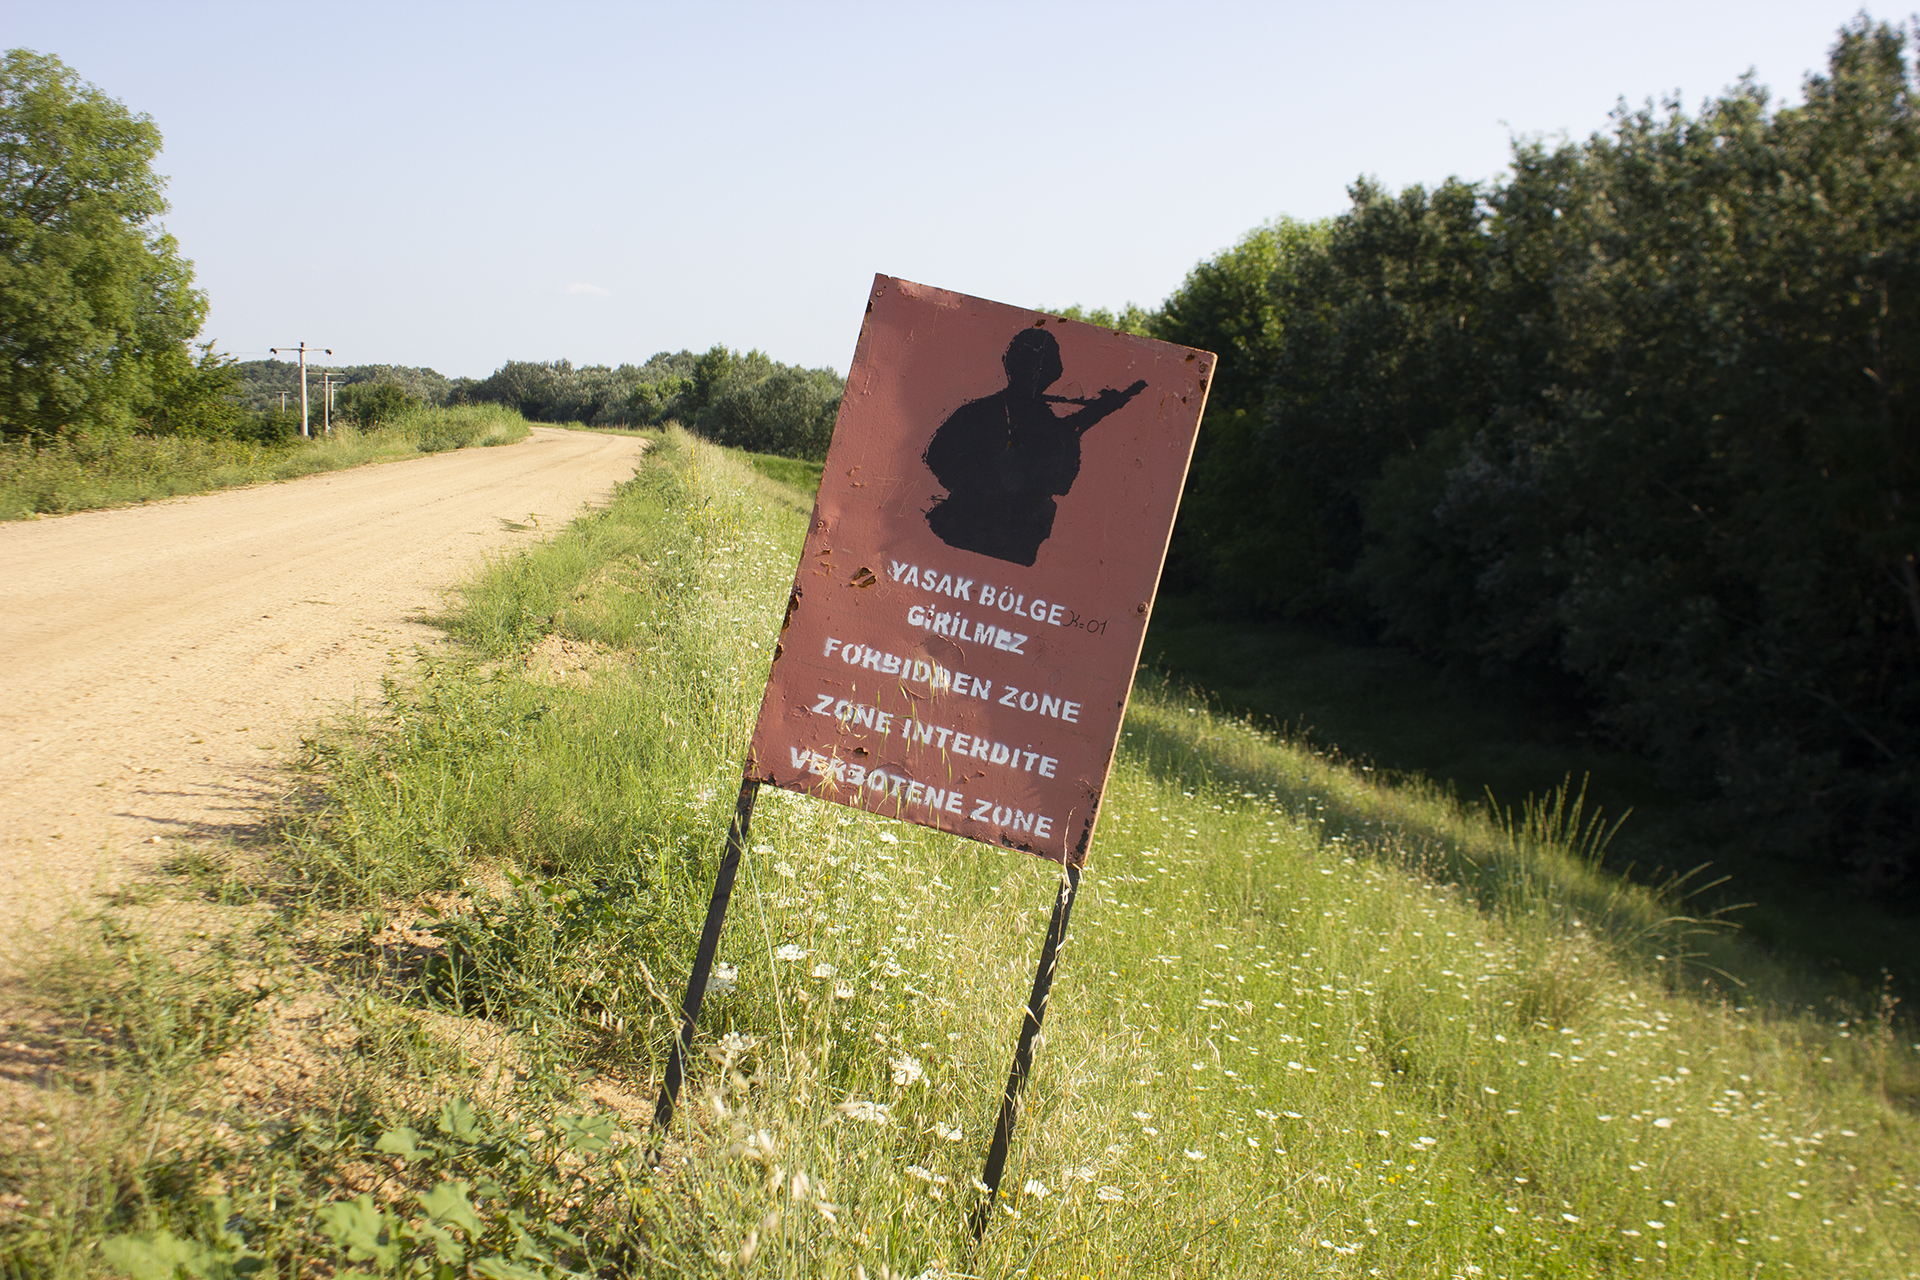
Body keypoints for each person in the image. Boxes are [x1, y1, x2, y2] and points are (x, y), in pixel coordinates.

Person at [922, 329, 1145, 566]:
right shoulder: (976, 414)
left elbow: (1062, 483)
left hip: (1016, 543)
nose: (1034, 375)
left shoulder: (1054, 428)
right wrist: (983, 486)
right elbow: (936, 458)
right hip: (964, 532)